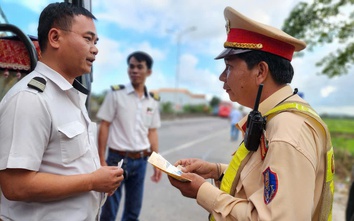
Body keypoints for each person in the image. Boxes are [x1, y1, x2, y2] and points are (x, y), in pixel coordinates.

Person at [168, 6, 335, 220]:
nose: (222, 77)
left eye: (229, 67)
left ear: (260, 72)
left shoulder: (287, 132)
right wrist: (215, 170)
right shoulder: (275, 118)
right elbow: (265, 180)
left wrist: (202, 192)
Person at [0, 3, 124, 221]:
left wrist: (100, 181)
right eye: (87, 39)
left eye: (96, 42)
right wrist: (93, 182)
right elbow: (15, 186)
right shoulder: (31, 98)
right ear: (55, 38)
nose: (95, 49)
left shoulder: (70, 95)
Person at [97, 51, 162, 221]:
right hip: (116, 159)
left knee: (133, 212)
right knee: (109, 211)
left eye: (139, 67)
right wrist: (101, 160)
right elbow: (104, 125)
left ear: (148, 72)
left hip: (141, 161)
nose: (134, 70)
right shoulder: (116, 94)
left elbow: (152, 132)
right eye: (131, 66)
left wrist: (157, 162)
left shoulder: (153, 101)